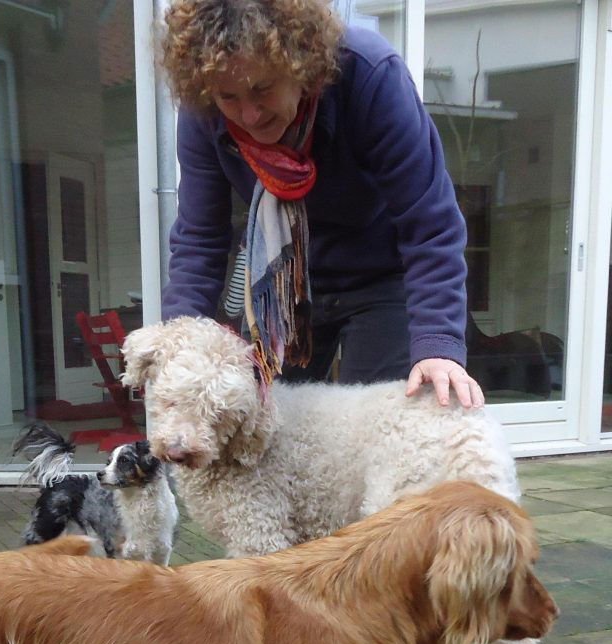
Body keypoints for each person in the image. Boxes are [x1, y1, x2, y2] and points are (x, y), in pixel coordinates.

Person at [159, 0, 484, 408]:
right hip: (282, 284)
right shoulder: (204, 113)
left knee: (375, 425)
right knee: (260, 421)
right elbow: (200, 238)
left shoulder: (370, 75)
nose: (249, 115)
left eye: (262, 88)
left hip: (384, 275)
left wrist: (437, 343)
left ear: (302, 65)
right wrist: (179, 341)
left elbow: (430, 223)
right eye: (229, 97)